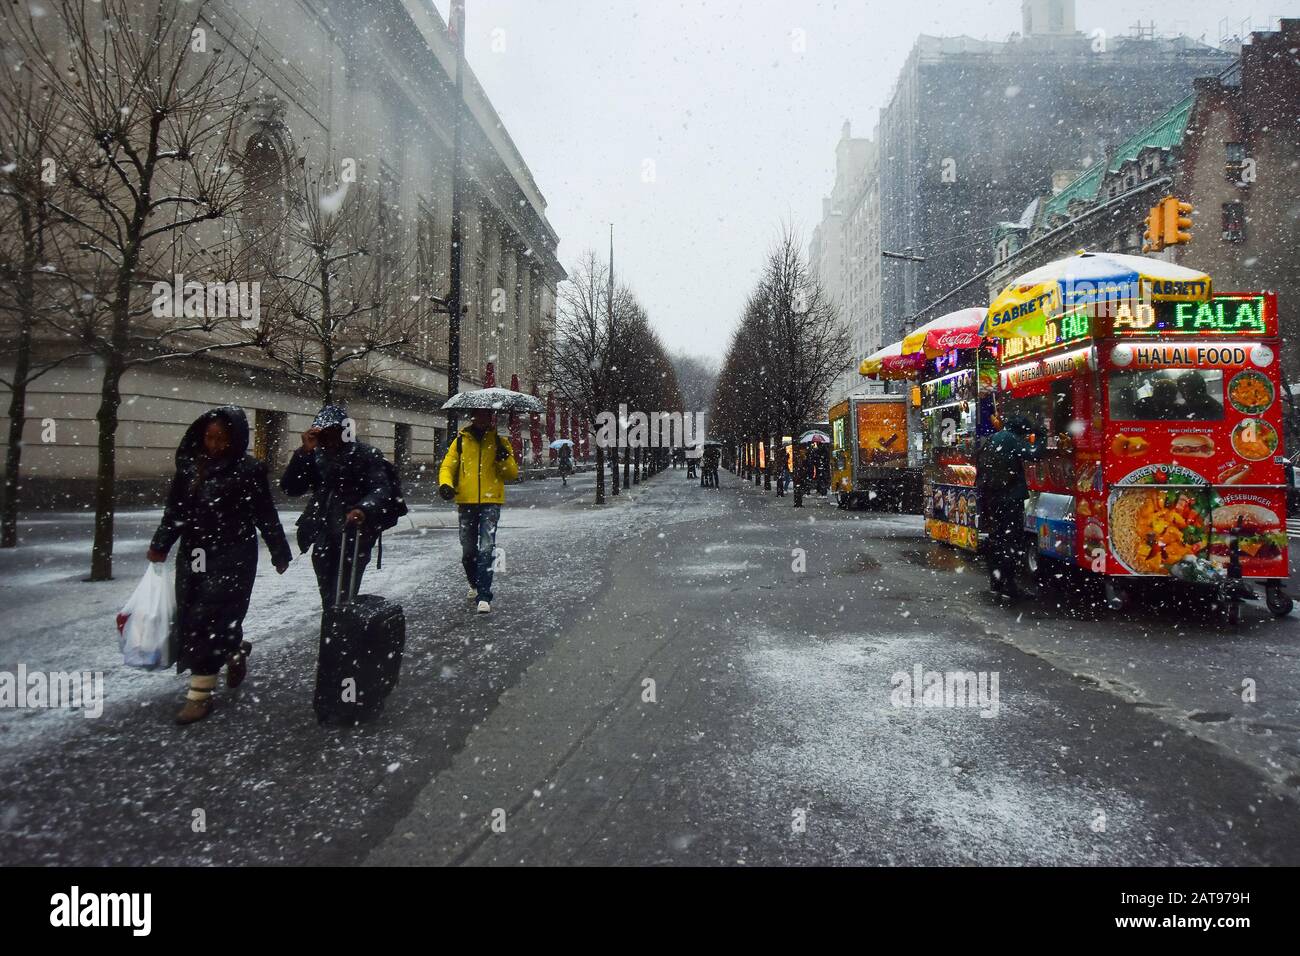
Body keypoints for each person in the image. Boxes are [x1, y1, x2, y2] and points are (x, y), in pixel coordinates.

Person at [148, 406, 291, 725]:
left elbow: (265, 514)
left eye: (221, 439)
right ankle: (234, 648)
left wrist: (279, 551)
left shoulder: (248, 470)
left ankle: (199, 695)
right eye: (209, 437)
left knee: (207, 616)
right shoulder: (189, 467)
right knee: (193, 614)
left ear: (235, 439)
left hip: (233, 554)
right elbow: (176, 511)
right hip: (195, 554)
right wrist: (160, 543)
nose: (214, 444)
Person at [280, 404, 396, 606]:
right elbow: (291, 488)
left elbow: (381, 489)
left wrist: (362, 509)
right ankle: (334, 620)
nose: (330, 441)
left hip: (357, 531)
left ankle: (340, 623)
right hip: (325, 529)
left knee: (345, 588)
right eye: (325, 435)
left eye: (335, 433)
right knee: (327, 588)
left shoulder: (366, 455)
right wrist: (303, 453)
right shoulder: (315, 457)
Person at [438, 408, 519, 614]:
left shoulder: (500, 442)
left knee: (486, 548)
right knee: (468, 551)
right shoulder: (460, 442)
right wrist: (445, 484)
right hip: (466, 501)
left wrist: (503, 458)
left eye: (486, 415)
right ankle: (474, 583)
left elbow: (511, 474)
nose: (482, 418)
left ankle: (484, 595)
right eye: (478, 414)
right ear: (473, 417)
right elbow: (447, 466)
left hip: (491, 502)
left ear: (490, 418)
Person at [976, 415, 1045, 600]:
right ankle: (1009, 585)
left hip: (993, 498)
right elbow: (1034, 454)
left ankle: (996, 581)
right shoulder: (1011, 439)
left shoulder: (994, 438)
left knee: (997, 539)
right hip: (1009, 499)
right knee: (1011, 541)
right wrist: (1042, 436)